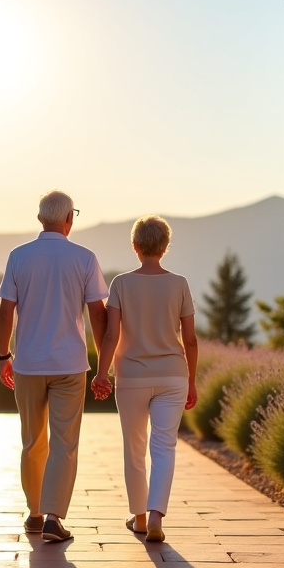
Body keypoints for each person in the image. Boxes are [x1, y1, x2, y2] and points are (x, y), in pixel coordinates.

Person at [0, 191, 109, 542]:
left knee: (32, 442)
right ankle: (54, 519)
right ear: (69, 220)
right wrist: (103, 367)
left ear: (41, 218)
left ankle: (34, 513)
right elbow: (98, 315)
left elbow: (5, 311)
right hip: (70, 365)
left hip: (28, 363)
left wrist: (4, 356)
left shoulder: (19, 256)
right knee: (65, 443)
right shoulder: (85, 259)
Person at [91, 216, 198, 543]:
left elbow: (111, 334)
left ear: (135, 247)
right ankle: (155, 515)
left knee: (134, 448)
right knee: (164, 446)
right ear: (165, 248)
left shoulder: (121, 284)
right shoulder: (179, 283)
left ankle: (138, 517)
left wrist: (101, 373)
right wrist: (192, 381)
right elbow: (190, 340)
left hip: (132, 377)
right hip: (173, 376)